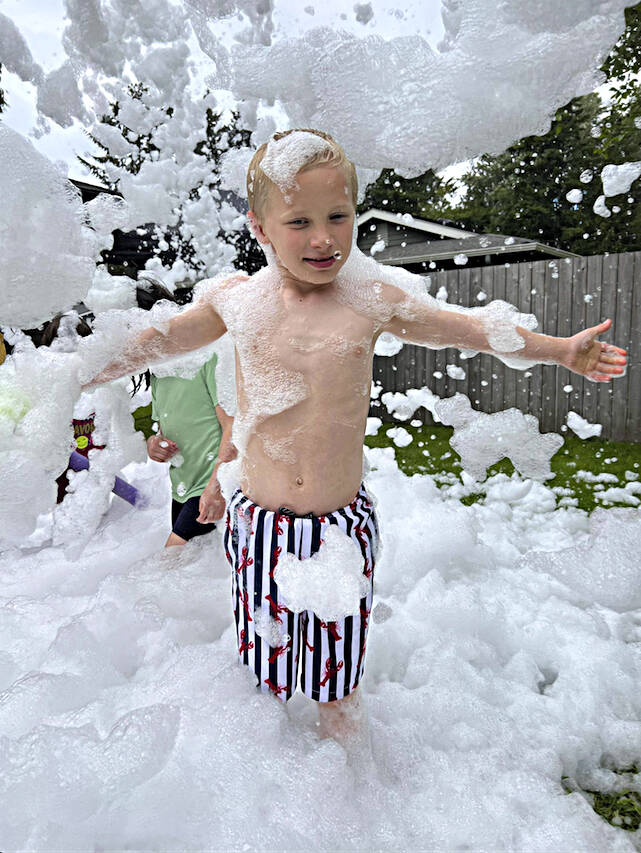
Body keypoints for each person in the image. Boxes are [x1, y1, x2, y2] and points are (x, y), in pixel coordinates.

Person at [84, 128, 627, 746]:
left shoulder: (368, 299)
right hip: (256, 520)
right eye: (300, 221)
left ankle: (343, 779)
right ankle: (270, 780)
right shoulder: (237, 302)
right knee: (262, 655)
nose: (324, 237)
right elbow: (163, 339)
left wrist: (558, 350)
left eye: (339, 216)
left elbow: (465, 330)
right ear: (261, 229)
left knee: (336, 679)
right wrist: (77, 373)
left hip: (337, 529)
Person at [147, 352, 234, 547]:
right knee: (181, 570)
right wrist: (154, 443)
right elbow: (168, 428)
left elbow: (234, 427)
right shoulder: (157, 372)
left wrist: (216, 487)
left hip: (210, 486)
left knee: (167, 565)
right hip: (182, 488)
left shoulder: (209, 358)